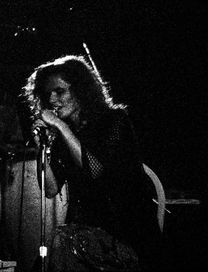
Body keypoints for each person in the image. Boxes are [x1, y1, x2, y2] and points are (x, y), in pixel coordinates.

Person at [20, 55, 162, 271]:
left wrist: (59, 125)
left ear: (81, 91)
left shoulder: (115, 122)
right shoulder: (64, 136)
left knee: (61, 245)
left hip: (126, 234)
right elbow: (50, 188)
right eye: (47, 94)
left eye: (59, 91)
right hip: (84, 236)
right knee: (59, 246)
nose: (52, 100)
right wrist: (42, 149)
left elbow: (95, 170)